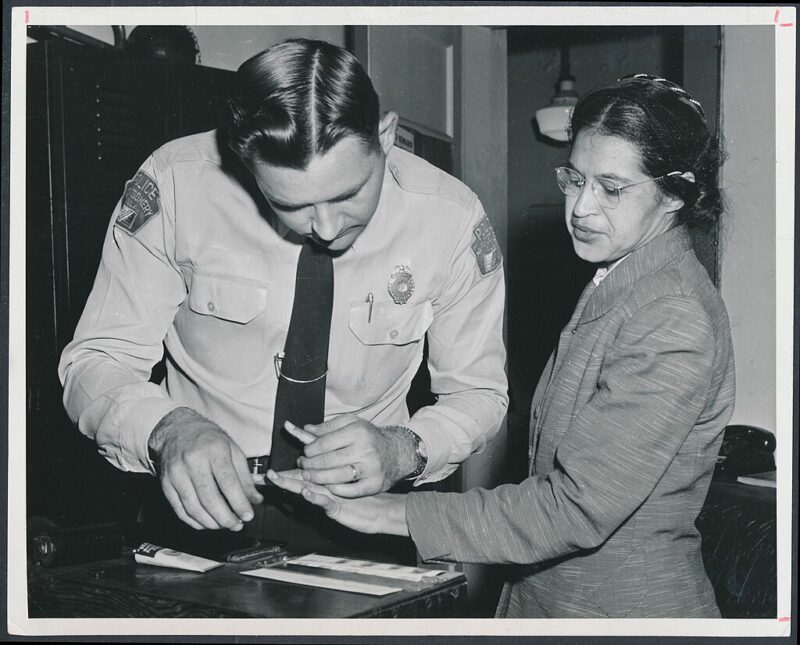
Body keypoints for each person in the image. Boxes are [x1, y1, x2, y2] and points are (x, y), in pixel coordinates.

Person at [270, 74, 736, 617]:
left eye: (611, 188)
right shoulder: (626, 279)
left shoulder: (671, 314)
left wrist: (387, 513)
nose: (581, 208)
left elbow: (576, 508)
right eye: (575, 179)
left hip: (622, 610)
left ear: (674, 195)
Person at [58, 38, 508, 553]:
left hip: (368, 517)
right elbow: (96, 360)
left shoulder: (450, 219)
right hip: (198, 511)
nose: (326, 227)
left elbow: (480, 393)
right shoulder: (176, 184)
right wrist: (167, 429)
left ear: (385, 136)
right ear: (243, 161)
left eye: (348, 194)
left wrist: (403, 448)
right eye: (289, 204)